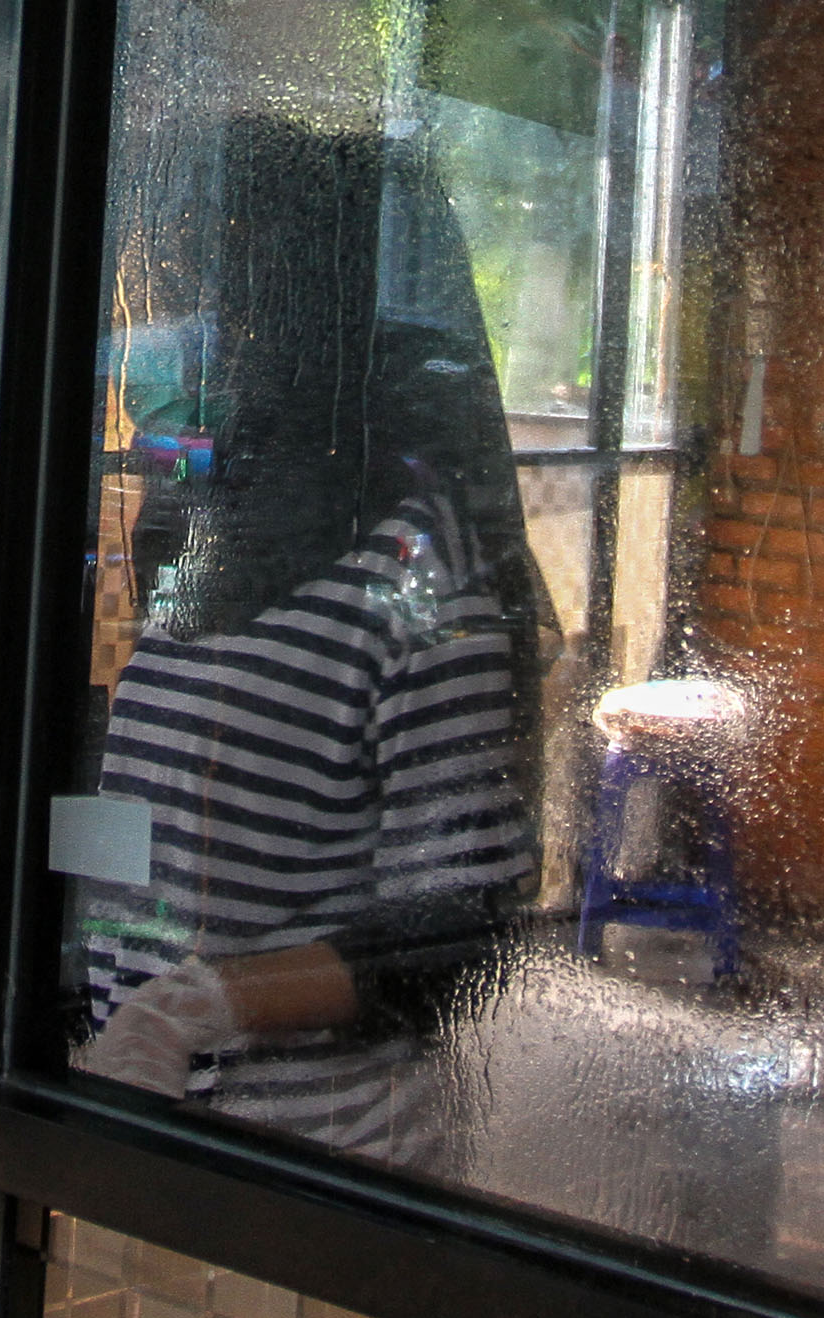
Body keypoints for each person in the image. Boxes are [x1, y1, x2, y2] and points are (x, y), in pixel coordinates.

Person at [75, 117, 542, 1163]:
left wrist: (191, 1008)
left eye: (223, 287)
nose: (190, 327)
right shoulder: (218, 532)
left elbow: (450, 935)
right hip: (149, 1142)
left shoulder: (417, 577)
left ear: (312, 306)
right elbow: (169, 811)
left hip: (318, 1167)